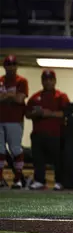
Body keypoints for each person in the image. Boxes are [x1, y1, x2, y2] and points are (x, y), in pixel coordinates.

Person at [25, 69, 70, 190]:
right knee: (38, 159)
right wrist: (36, 113)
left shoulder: (61, 96)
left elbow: (65, 113)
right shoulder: (35, 97)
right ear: (42, 81)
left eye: (50, 80)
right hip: (38, 134)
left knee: (58, 160)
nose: (48, 82)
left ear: (55, 81)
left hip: (56, 134)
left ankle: (59, 181)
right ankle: (39, 180)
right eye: (45, 80)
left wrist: (48, 113)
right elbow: (27, 113)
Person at [0, 55, 29, 189]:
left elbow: (19, 99)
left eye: (13, 64)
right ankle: (0, 179)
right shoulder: (0, 80)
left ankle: (18, 179)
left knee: (15, 149)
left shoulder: (21, 81)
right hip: (1, 119)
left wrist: (6, 96)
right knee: (0, 150)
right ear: (4, 66)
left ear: (16, 66)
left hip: (15, 120)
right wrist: (11, 96)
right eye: (8, 64)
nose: (11, 67)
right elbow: (14, 97)